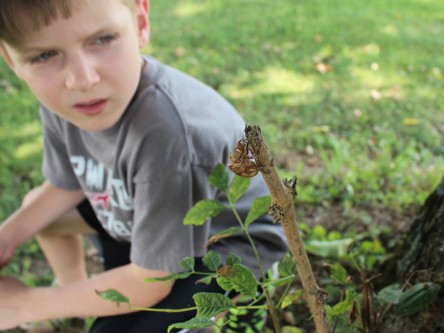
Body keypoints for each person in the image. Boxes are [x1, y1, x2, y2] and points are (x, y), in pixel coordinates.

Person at [0, 0, 288, 332]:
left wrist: (24, 304)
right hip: (147, 210)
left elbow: (151, 281)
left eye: (103, 39)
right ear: (13, 62)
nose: (82, 79)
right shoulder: (67, 101)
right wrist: (7, 238)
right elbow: (67, 184)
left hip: (224, 243)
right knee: (40, 215)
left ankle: (244, 304)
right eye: (44, 55)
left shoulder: (170, 134)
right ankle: (71, 302)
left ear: (139, 23)